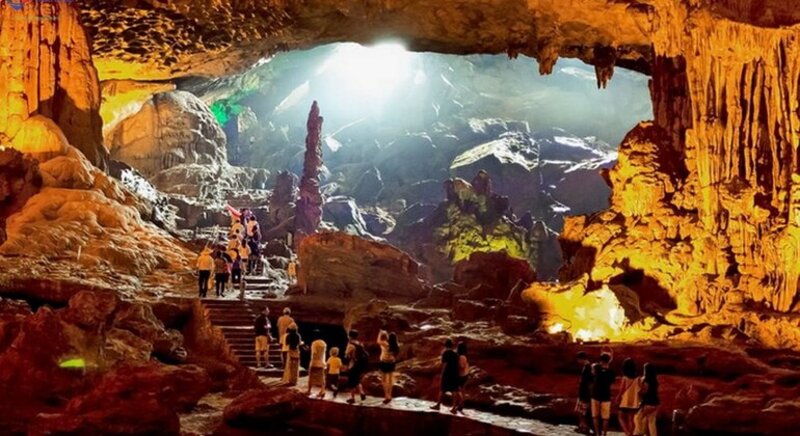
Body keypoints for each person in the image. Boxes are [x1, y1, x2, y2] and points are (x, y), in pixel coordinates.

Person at [430, 339, 460, 411]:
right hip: (455, 373)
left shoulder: (446, 353)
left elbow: (445, 364)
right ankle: (454, 407)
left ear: (445, 345)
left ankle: (438, 405)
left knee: (442, 389)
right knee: (454, 390)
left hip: (447, 373)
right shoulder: (456, 354)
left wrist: (442, 373)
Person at [592, 352, 616, 436]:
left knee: (595, 416)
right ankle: (604, 434)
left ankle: (598, 434)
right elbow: (612, 381)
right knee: (605, 418)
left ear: (601, 360)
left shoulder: (596, 368)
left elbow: (593, 367)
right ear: (609, 361)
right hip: (606, 395)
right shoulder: (611, 372)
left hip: (595, 395)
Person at [634, 363, 659, 436]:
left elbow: (645, 391)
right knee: (651, 422)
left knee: (637, 417)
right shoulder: (655, 380)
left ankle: (639, 432)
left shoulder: (646, 380)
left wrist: (639, 391)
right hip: (655, 403)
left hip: (647, 403)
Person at [617, 358, 641, 436]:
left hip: (625, 400)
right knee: (631, 419)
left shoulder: (625, 378)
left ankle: (627, 433)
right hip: (634, 400)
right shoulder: (638, 378)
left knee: (620, 416)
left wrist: (618, 397)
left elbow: (621, 389)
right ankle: (630, 433)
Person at [345, 329, 368, 404]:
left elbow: (347, 356)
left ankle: (352, 398)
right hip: (360, 365)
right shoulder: (360, 343)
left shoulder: (351, 344)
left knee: (352, 381)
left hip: (353, 364)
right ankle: (362, 393)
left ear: (349, 336)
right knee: (357, 380)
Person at [377, 330, 400, 404]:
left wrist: (380, 333)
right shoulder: (396, 346)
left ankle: (386, 396)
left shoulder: (385, 344)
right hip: (391, 363)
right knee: (390, 380)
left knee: (384, 380)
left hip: (384, 363)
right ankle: (390, 395)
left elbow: (378, 341)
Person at [575, 351, 593, 434]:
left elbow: (589, 382)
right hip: (583, 392)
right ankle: (582, 426)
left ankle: (584, 427)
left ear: (581, 359)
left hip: (585, 393)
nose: (577, 362)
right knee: (579, 411)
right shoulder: (587, 366)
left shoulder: (588, 367)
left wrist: (589, 393)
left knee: (582, 412)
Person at [307, 330, 327, 397]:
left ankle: (309, 390)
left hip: (315, 362)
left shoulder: (314, 343)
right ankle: (322, 390)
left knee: (311, 377)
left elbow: (314, 353)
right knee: (322, 378)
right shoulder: (324, 343)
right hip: (322, 362)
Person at [451, 341, 469, 414]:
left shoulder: (461, 357)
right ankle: (461, 404)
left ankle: (459, 404)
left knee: (456, 390)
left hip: (461, 375)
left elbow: (461, 366)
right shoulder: (464, 356)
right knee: (461, 390)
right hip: (465, 374)